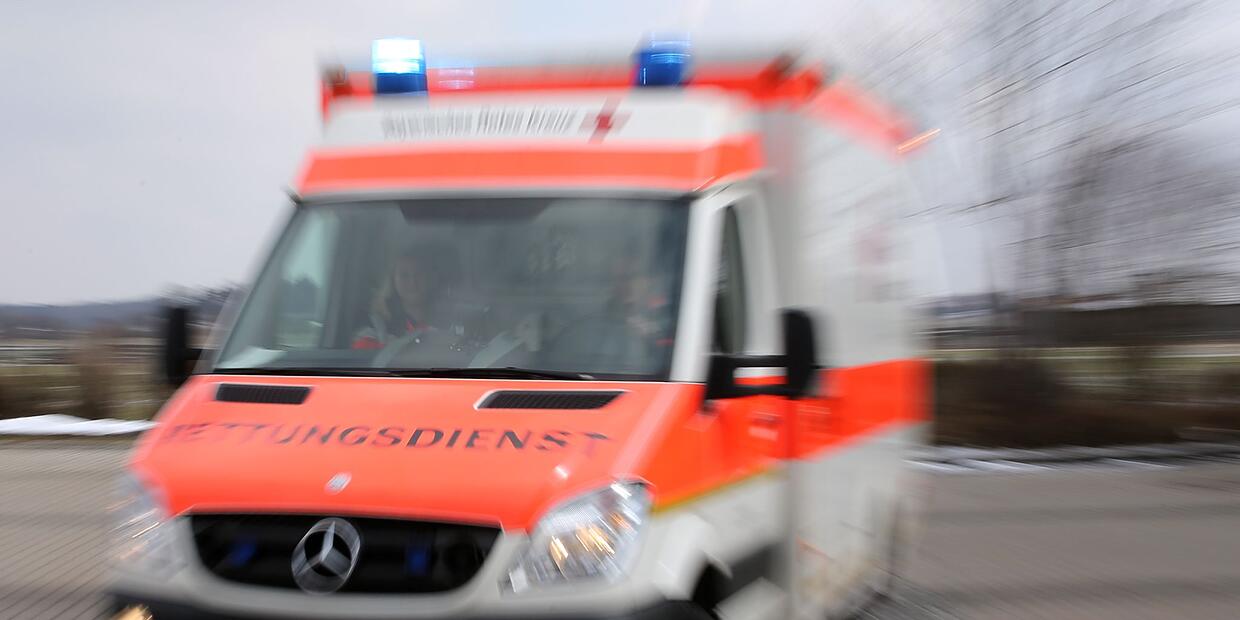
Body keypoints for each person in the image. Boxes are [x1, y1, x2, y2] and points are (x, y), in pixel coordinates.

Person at [351, 248, 440, 350]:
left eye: (419, 274)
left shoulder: (449, 321)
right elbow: (362, 356)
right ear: (392, 281)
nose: (412, 282)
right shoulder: (376, 326)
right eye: (404, 275)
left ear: (430, 278)